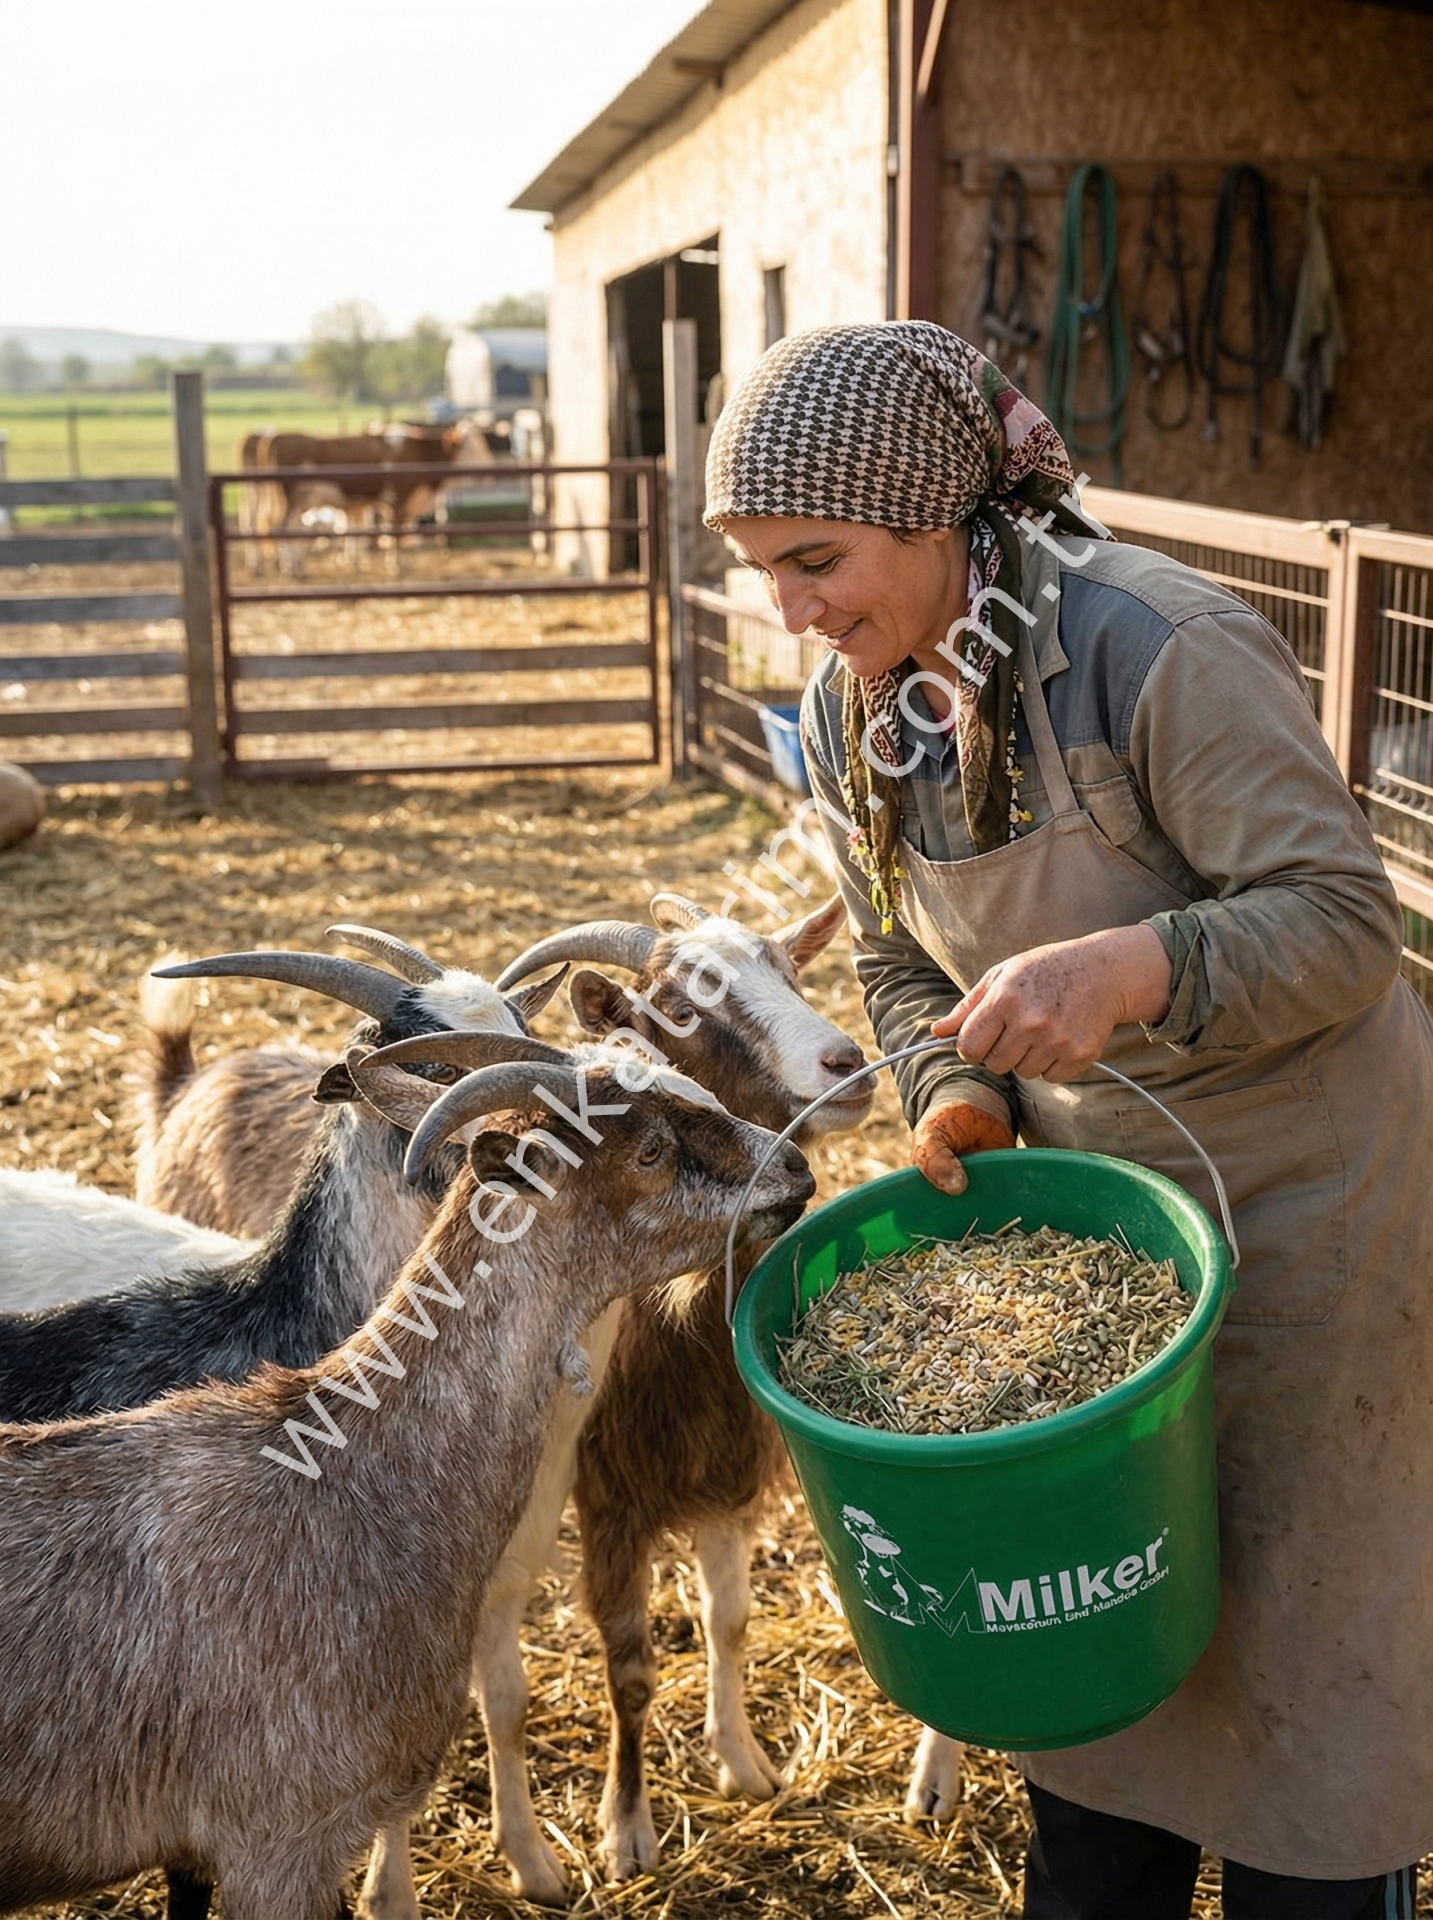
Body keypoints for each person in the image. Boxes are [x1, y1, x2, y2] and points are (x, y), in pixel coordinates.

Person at [702, 320, 1433, 1920]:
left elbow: (1344, 922)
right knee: (1102, 1643)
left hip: (1318, 1212)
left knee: (1313, 1658)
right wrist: (951, 1083)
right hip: (1103, 1238)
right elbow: (893, 951)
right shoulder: (855, 714)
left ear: (939, 513)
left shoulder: (1152, 646)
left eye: (818, 560)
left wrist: (1138, 963)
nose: (796, 613)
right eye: (765, 571)